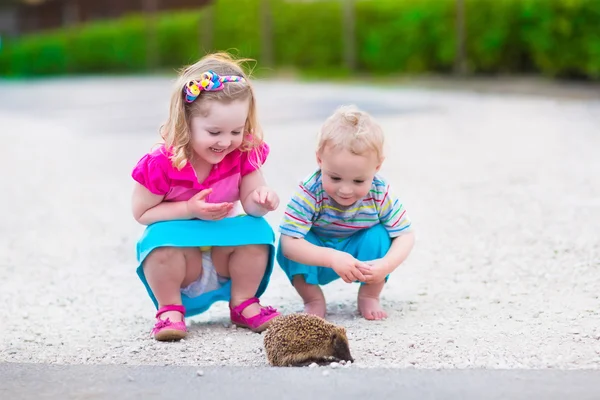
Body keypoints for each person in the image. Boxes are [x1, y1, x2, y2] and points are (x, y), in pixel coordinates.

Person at [131, 52, 280, 341]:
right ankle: (170, 308)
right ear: (187, 123)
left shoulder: (243, 152)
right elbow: (141, 213)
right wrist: (188, 208)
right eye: (214, 132)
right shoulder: (162, 163)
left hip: (225, 254)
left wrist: (261, 200)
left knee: (257, 230)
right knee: (156, 240)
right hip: (183, 259)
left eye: (236, 130)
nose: (226, 141)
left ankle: (243, 301)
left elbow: (250, 203)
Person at [276, 105, 415, 320]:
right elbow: (289, 244)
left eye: (359, 180)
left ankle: (369, 295)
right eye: (335, 178)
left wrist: (385, 265)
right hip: (319, 253)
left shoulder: (380, 191)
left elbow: (405, 235)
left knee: (379, 235)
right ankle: (313, 299)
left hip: (359, 253)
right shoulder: (310, 191)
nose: (345, 190)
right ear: (320, 160)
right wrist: (332, 258)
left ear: (377, 167)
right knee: (291, 242)